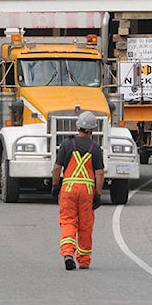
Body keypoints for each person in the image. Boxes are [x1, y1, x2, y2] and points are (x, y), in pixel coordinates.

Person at [51, 110, 105, 270]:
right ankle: (84, 259)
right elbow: (100, 173)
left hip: (68, 189)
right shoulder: (95, 148)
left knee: (68, 221)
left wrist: (55, 186)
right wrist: (98, 194)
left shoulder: (67, 144)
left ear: (77, 127)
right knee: (85, 224)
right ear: (92, 130)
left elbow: (56, 168)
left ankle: (68, 253)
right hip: (87, 190)